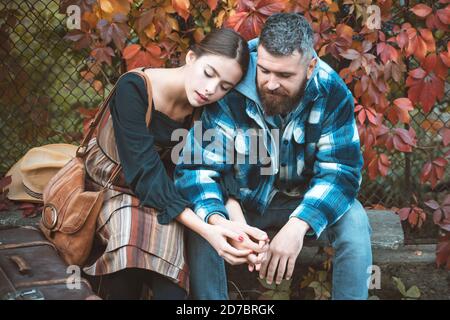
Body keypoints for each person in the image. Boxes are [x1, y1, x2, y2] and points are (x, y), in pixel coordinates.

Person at [175, 13, 372, 300]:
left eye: (284, 75)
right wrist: (224, 222)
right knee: (204, 227)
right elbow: (196, 168)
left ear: (310, 67)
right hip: (242, 205)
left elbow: (341, 172)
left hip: (301, 201)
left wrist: (299, 224)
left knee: (355, 221)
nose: (271, 83)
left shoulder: (332, 92)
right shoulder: (230, 85)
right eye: (265, 70)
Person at [81, 28, 269, 300]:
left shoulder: (206, 108)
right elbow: (144, 174)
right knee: (129, 248)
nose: (210, 90)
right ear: (191, 57)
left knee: (171, 283)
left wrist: (234, 223)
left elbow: (215, 167)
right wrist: (209, 230)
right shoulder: (134, 88)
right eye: (208, 73)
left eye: (224, 87)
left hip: (168, 195)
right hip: (112, 187)